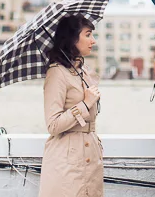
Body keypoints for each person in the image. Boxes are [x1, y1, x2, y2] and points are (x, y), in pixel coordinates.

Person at [38, 15, 103, 197]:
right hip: (67, 164)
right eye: (88, 35)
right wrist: (84, 104)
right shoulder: (57, 73)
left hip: (90, 160)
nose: (93, 41)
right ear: (73, 38)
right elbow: (53, 125)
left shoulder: (83, 72)